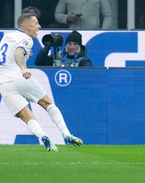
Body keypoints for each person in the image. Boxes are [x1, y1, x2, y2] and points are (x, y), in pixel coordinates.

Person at [0, 13, 83, 152]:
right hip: (20, 77)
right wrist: (23, 68)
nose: (39, 26)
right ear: (28, 26)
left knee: (26, 116)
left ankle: (43, 136)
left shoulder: (7, 37)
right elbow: (18, 53)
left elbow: (12, 53)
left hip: (4, 83)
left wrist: (24, 56)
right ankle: (66, 133)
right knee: (47, 103)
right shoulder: (26, 39)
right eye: (36, 23)